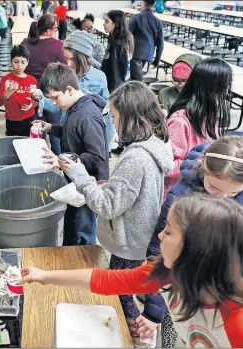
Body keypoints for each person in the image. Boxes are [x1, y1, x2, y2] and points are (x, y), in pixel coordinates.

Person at [19, 195, 243, 348]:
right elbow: (108, 281)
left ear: (196, 249)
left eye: (168, 231)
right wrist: (43, 276)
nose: (159, 235)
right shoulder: (170, 273)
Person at [52, 80, 172, 346]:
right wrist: (106, 186)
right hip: (139, 235)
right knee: (127, 286)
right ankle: (137, 330)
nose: (113, 124)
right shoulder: (154, 144)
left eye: (115, 117)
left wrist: (78, 174)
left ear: (130, 118)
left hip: (128, 241)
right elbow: (129, 193)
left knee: (121, 290)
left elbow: (107, 206)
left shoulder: (135, 158)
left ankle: (137, 335)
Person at [144, 135, 243, 348]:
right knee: (175, 326)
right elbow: (158, 254)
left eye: (234, 193)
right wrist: (154, 310)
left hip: (217, 286)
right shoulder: (180, 199)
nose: (223, 199)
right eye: (215, 189)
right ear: (203, 166)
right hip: (181, 281)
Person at [35, 63, 109, 246]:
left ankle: (85, 257)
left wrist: (62, 161)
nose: (53, 103)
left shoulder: (87, 116)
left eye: (54, 98)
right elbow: (72, 132)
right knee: (73, 220)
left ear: (68, 90)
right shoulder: (73, 107)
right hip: (75, 177)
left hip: (90, 182)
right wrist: (52, 128)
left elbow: (98, 156)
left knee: (85, 226)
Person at [164, 57, 232, 198]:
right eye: (224, 86)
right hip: (177, 195)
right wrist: (202, 165)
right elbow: (166, 167)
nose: (227, 91)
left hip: (198, 191)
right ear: (211, 88)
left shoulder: (209, 117)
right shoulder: (180, 121)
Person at [54, 30, 115, 155]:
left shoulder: (100, 77)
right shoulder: (66, 76)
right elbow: (56, 104)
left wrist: (106, 146)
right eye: (66, 59)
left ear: (84, 58)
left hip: (90, 136)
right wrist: (41, 99)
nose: (69, 63)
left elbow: (108, 110)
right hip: (69, 133)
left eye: (73, 59)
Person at [22, 13, 67, 155]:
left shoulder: (25, 43)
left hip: (32, 93)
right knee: (55, 135)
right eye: (56, 28)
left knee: (37, 134)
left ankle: (39, 164)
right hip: (52, 95)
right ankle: (58, 164)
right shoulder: (58, 45)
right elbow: (66, 70)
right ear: (49, 30)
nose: (57, 31)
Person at [0, 45, 41, 136]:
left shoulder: (32, 80)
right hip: (12, 121)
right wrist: (7, 93)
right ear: (11, 61)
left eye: (23, 62)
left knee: (29, 144)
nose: (19, 66)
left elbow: (35, 100)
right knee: (12, 145)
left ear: (27, 62)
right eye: (16, 62)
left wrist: (31, 105)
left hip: (30, 118)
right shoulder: (5, 79)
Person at [128, 0, 164, 81]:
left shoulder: (136, 17)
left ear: (143, 3)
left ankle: (139, 92)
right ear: (154, 4)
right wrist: (157, 59)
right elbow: (160, 43)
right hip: (148, 54)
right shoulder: (157, 21)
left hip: (136, 53)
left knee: (135, 80)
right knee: (136, 77)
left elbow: (126, 33)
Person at [101, 10, 134, 92]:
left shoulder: (119, 45)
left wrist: (113, 93)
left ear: (115, 24)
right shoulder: (115, 39)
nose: (103, 24)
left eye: (106, 21)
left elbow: (117, 74)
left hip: (115, 89)